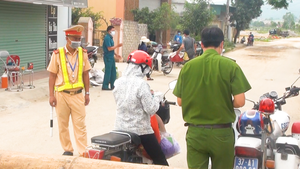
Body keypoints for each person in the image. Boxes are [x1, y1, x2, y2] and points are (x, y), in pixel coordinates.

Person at [173, 26, 251, 169]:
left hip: (195, 134)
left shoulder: (188, 67)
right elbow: (240, 101)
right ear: (222, 44)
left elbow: (180, 101)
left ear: (201, 44)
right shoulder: (231, 66)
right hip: (222, 134)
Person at [113, 50, 169, 166]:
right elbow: (151, 109)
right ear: (142, 67)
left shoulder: (118, 82)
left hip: (120, 128)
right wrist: (157, 97)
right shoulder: (141, 84)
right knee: (160, 159)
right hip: (140, 130)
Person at [47, 25, 91, 156]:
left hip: (78, 95)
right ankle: (67, 150)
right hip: (61, 95)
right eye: (75, 38)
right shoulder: (57, 54)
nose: (78, 41)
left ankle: (83, 152)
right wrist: (51, 95)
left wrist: (87, 93)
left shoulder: (83, 54)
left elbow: (86, 74)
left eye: (79, 38)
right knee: (63, 125)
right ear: (67, 38)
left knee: (80, 125)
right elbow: (52, 75)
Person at [102, 25, 123, 90]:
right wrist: (117, 46)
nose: (113, 32)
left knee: (113, 71)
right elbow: (109, 48)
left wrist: (116, 54)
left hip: (111, 57)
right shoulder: (107, 38)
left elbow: (111, 49)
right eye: (112, 30)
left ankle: (112, 85)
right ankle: (105, 86)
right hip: (108, 57)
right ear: (109, 31)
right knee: (108, 72)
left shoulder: (111, 38)